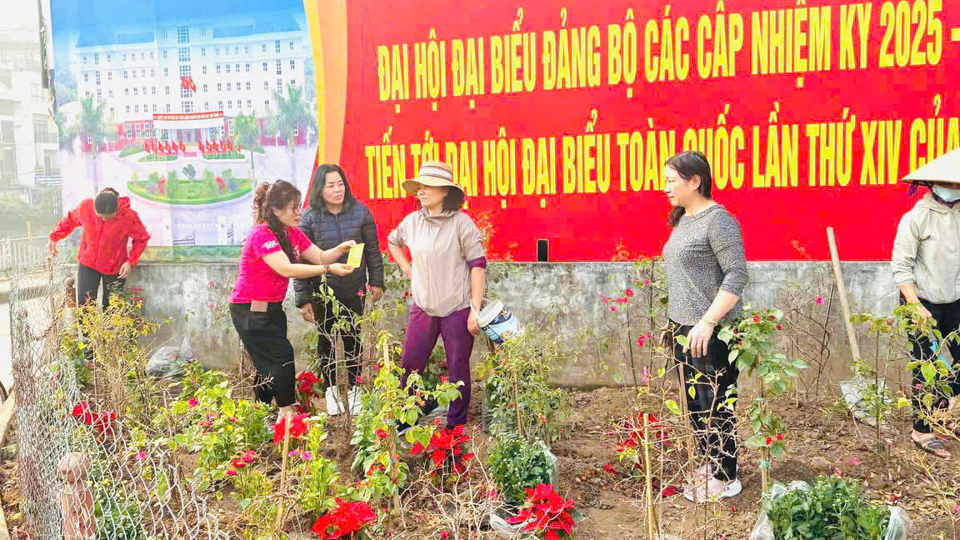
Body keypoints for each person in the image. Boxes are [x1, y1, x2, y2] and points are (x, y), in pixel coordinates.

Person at [659, 151, 748, 503]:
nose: (665, 187)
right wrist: (674, 324)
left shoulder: (719, 221)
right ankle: (711, 462)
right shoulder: (684, 219)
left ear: (695, 181)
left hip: (712, 332)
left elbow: (737, 274)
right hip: (684, 328)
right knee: (696, 404)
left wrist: (708, 321)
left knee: (716, 403)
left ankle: (728, 476)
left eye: (671, 180)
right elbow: (684, 279)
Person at [229, 180, 356, 421]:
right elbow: (286, 269)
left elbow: (319, 256)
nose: (300, 213)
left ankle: (260, 413)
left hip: (272, 309)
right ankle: (286, 413)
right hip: (249, 310)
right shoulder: (261, 234)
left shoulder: (291, 233)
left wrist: (340, 249)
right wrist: (329, 269)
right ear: (276, 210)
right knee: (282, 357)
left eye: (300, 207)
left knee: (267, 363)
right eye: (293, 208)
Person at [387, 161, 486, 429]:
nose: (421, 191)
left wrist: (474, 310)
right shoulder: (412, 222)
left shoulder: (462, 224)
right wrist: (407, 268)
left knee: (457, 369)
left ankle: (456, 428)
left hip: (457, 308)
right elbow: (393, 241)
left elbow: (477, 267)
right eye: (419, 186)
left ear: (445, 191)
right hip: (423, 305)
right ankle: (407, 418)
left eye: (427, 186)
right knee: (410, 364)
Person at [294, 164, 385, 416]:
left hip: (354, 288)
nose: (337, 189)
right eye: (331, 185)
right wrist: (303, 299)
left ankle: (355, 391)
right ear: (319, 189)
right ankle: (332, 390)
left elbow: (373, 251)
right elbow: (300, 260)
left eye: (340, 183)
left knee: (353, 340)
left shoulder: (360, 213)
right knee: (327, 343)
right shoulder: (309, 217)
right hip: (322, 291)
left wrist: (376, 281)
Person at [892, 151, 960, 458]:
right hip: (921, 303)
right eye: (949, 184)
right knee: (924, 367)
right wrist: (914, 305)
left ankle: (947, 415)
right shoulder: (916, 218)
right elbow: (901, 266)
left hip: (954, 301)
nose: (953, 189)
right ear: (934, 184)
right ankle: (922, 430)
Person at [47, 187, 151, 308]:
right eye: (100, 217)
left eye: (108, 217)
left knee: (113, 308)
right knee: (85, 305)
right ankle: (88, 328)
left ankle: (111, 327)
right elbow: (69, 220)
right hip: (88, 263)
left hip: (115, 267)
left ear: (117, 208)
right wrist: (54, 237)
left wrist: (130, 262)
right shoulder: (86, 207)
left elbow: (141, 239)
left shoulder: (129, 217)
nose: (103, 220)